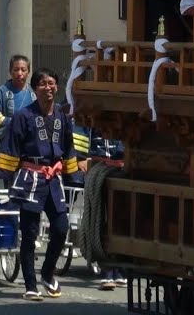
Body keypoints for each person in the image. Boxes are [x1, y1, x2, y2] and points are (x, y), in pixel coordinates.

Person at [0, 68, 78, 302]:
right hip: (30, 178)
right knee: (29, 233)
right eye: (42, 84)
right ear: (34, 88)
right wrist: (8, 179)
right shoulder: (23, 116)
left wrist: (72, 174)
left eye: (51, 83)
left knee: (61, 228)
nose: (48, 88)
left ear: (57, 87)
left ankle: (48, 273)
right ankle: (30, 284)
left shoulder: (62, 116)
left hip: (53, 179)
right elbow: (10, 146)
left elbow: (69, 147)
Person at [73, 124, 126, 290]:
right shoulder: (93, 104)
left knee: (122, 221)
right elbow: (80, 127)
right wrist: (81, 157)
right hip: (99, 166)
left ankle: (122, 270)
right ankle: (108, 271)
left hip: (123, 166)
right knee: (101, 219)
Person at [0, 54, 34, 136]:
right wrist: (17, 123)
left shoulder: (34, 93)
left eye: (23, 70)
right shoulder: (0, 92)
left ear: (28, 72)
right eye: (16, 69)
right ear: (10, 71)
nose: (19, 73)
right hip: (7, 143)